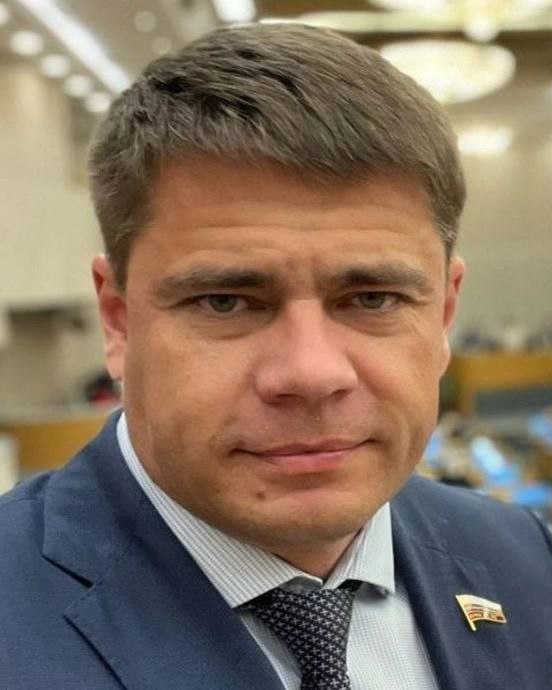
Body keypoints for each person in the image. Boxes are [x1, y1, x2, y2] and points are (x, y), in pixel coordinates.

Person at [1, 23, 551, 690]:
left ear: (443, 314)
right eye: (226, 302)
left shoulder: (524, 558)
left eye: (373, 298)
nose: (311, 374)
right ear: (117, 319)